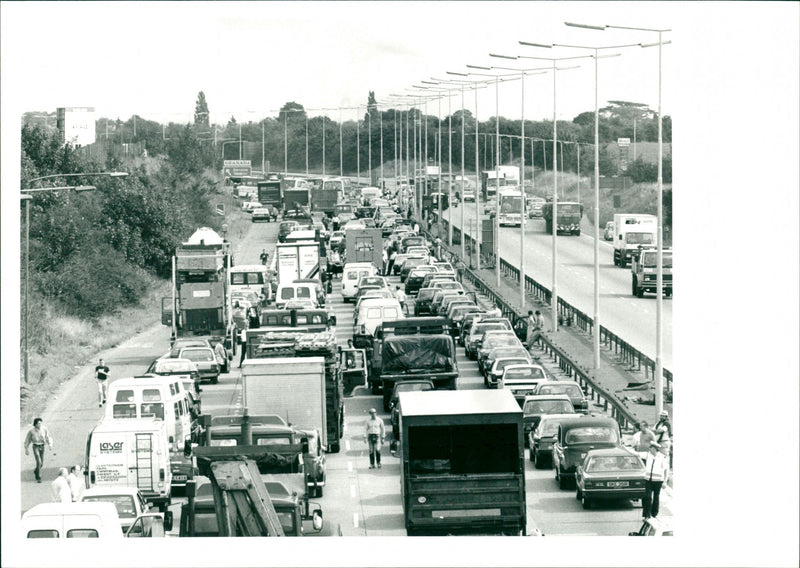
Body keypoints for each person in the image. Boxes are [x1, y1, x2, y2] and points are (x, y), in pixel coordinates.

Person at [642, 441, 669, 520]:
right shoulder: (648, 455)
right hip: (648, 480)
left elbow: (666, 470)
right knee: (647, 497)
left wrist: (665, 481)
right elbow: (636, 453)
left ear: (654, 449)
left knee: (656, 497)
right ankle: (647, 515)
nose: (649, 449)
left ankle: (654, 514)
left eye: (651, 448)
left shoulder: (662, 457)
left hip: (658, 481)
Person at [24, 417, 53, 483]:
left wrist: (50, 445)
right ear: (35, 424)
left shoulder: (44, 429)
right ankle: (39, 477)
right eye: (38, 423)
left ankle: (36, 471)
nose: (40, 425)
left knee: (41, 463)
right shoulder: (31, 431)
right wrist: (26, 449)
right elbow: (27, 440)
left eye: (40, 423)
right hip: (35, 446)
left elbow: (47, 437)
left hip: (42, 446)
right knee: (39, 462)